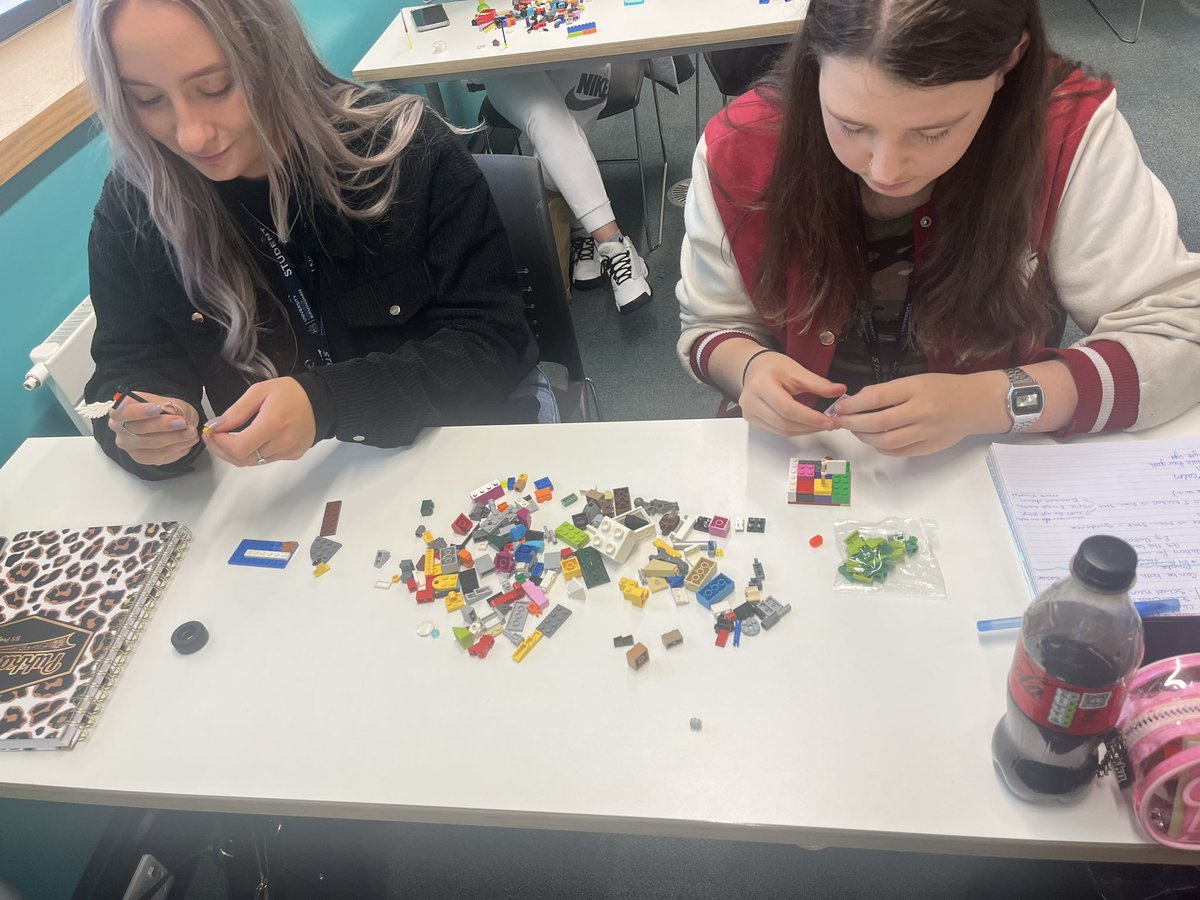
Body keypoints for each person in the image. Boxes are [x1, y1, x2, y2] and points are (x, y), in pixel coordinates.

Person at [677, 0, 1200, 456]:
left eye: (933, 132)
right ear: (815, 57)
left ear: (1009, 62)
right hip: (797, 457)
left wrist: (997, 400)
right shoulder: (742, 146)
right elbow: (710, 325)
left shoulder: (1067, 132)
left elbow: (1179, 339)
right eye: (852, 125)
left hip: (988, 459)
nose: (885, 171)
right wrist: (748, 368)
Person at [77, 0, 549, 481]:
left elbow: (493, 342)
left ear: (276, 58)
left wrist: (327, 401)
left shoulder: (405, 151)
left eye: (216, 87)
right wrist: (146, 432)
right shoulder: (132, 205)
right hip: (289, 486)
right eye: (147, 99)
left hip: (455, 441)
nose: (192, 136)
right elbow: (126, 365)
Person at [486, 62, 653, 314]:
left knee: (555, 145)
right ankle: (613, 244)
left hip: (578, 54)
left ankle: (581, 230)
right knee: (543, 113)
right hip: (507, 64)